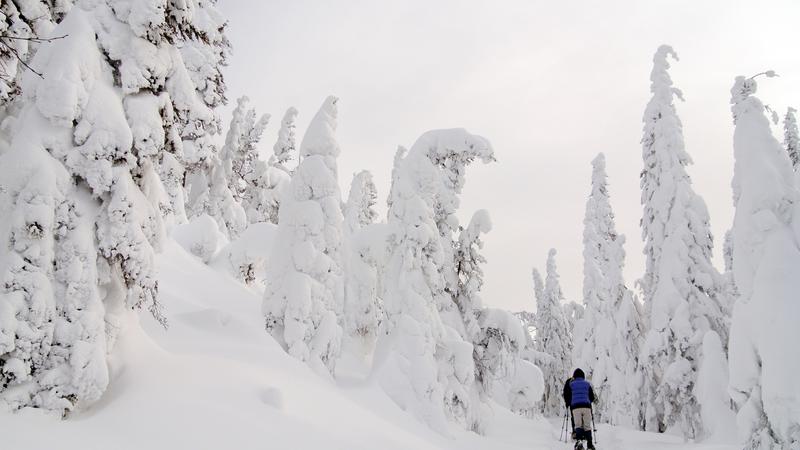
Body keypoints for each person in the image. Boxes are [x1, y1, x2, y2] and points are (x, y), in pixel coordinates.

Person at [563, 368, 596, 450]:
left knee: (578, 425)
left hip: (576, 407)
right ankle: (590, 445)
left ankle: (579, 443)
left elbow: (567, 395)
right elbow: (592, 397)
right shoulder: (587, 384)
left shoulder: (571, 384)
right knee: (587, 426)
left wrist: (568, 404)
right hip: (586, 406)